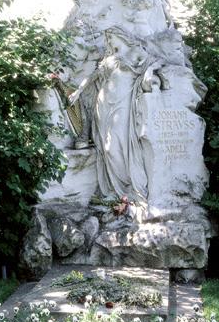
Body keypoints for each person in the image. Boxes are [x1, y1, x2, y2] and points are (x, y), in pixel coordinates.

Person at [69, 26, 164, 205]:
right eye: (107, 39)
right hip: (103, 104)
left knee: (116, 146)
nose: (109, 42)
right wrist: (78, 91)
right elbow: (94, 76)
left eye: (110, 38)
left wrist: (150, 71)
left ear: (119, 36)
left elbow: (156, 61)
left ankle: (128, 188)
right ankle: (115, 190)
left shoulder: (135, 51)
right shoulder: (108, 59)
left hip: (123, 104)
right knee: (106, 147)